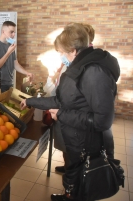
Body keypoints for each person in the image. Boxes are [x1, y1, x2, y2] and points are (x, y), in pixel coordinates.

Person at [20, 23, 120, 201]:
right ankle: (69, 195)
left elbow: (102, 120)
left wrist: (62, 114)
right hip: (76, 137)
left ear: (73, 51)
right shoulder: (80, 67)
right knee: (73, 172)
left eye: (61, 52)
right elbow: (62, 100)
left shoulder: (93, 72)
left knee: (84, 177)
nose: (60, 57)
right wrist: (30, 101)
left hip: (87, 140)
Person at [47, 23, 96, 174]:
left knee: (73, 150)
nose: (62, 54)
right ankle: (68, 167)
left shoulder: (87, 67)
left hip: (72, 117)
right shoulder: (73, 60)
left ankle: (71, 186)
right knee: (66, 148)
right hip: (67, 113)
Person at [0, 21, 33, 92]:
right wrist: (8, 52)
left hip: (9, 83)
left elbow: (15, 64)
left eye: (14, 32)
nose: (13, 34)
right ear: (3, 31)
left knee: (9, 103)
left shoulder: (9, 45)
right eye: (11, 32)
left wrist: (26, 73)